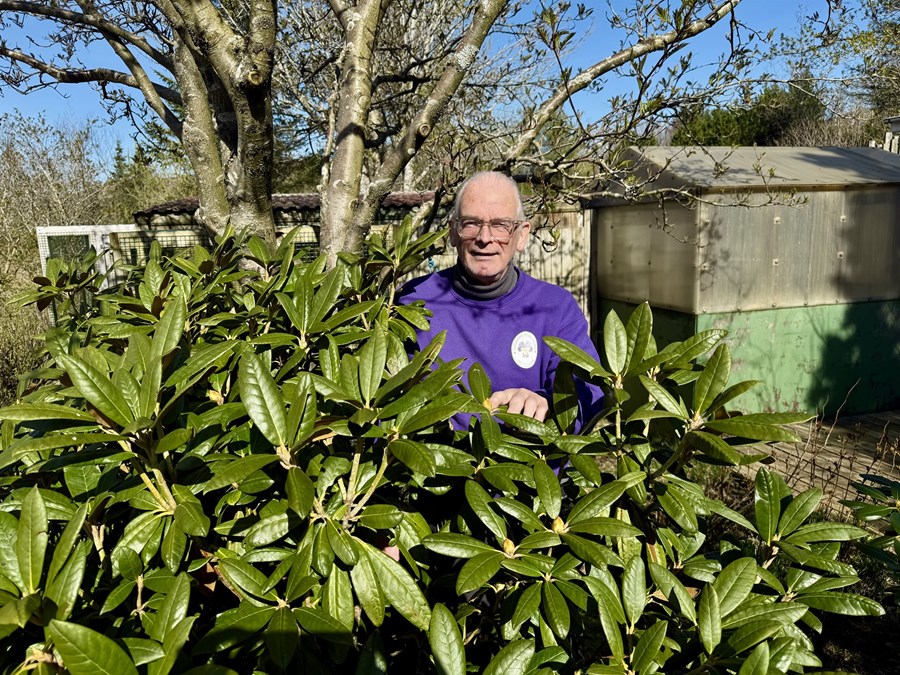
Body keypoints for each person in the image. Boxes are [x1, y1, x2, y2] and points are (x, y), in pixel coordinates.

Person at [398, 171, 604, 431]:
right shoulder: (413, 300)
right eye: (471, 223)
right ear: (453, 232)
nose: (485, 238)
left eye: (501, 225)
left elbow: (590, 394)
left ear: (522, 235)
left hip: (528, 455)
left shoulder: (556, 308)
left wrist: (546, 404)